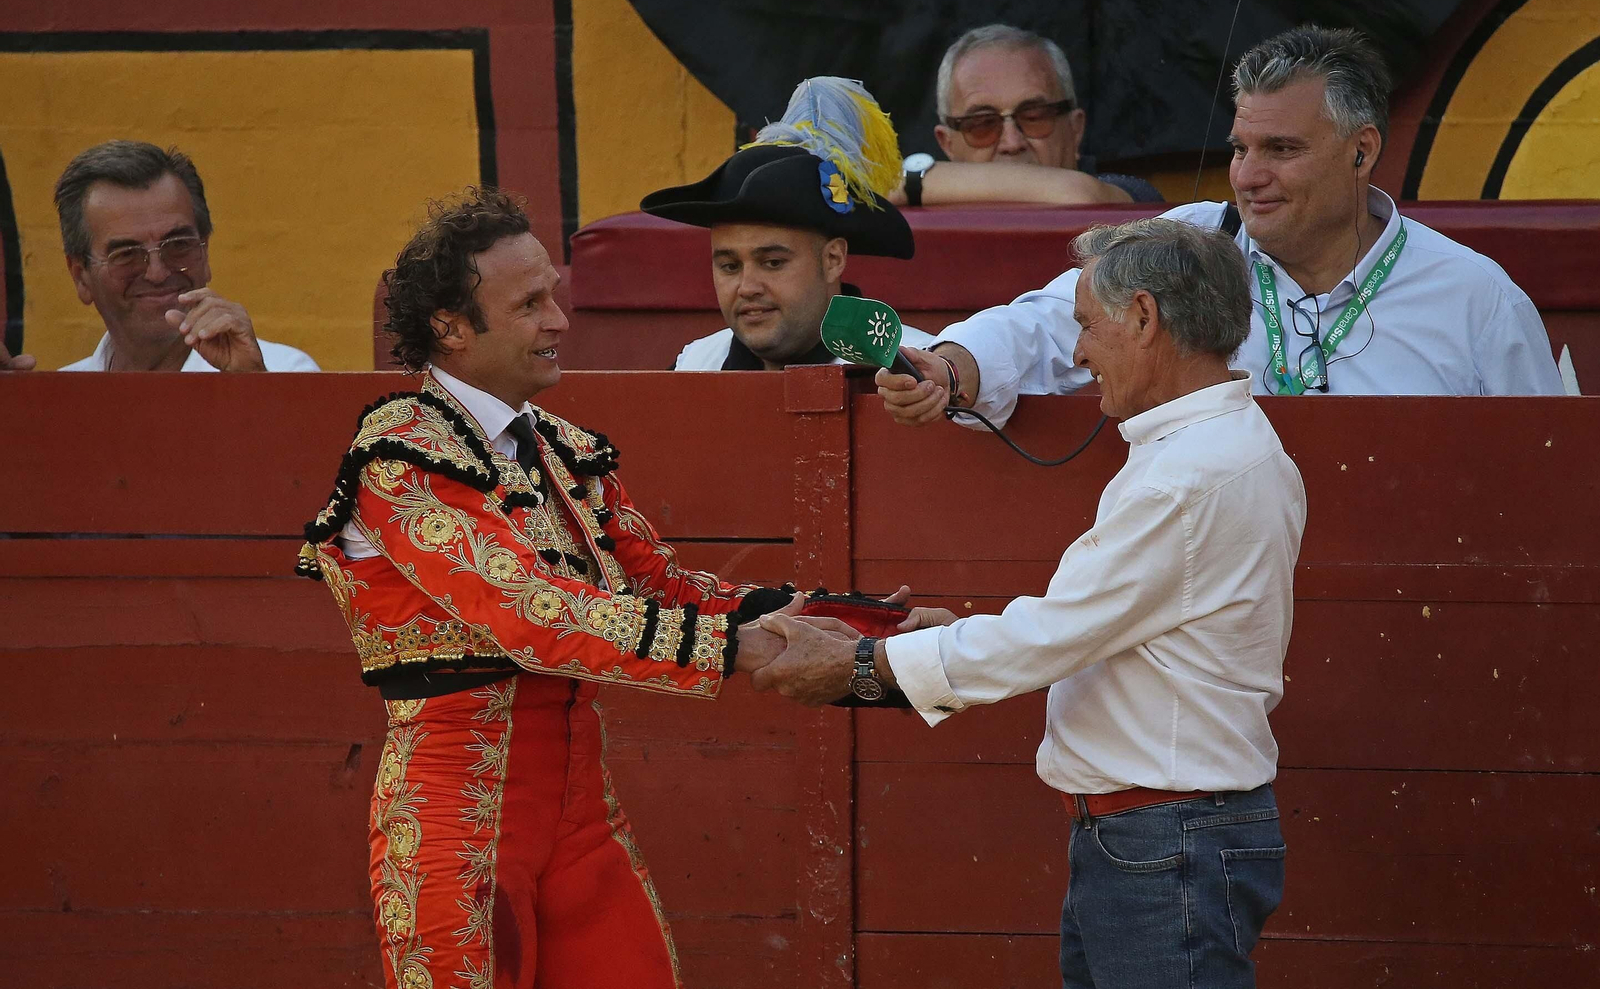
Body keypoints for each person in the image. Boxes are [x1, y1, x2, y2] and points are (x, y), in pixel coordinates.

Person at [754, 217, 1306, 988]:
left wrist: (867, 665)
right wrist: (937, 637)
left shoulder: (1189, 476)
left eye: (1087, 325)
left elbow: (1052, 635)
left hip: (1166, 836)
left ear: (1144, 317)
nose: (1078, 353)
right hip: (1161, 829)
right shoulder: (1215, 448)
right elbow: (1097, 628)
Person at [296, 188, 810, 989]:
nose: (559, 321)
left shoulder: (564, 449)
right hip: (456, 819)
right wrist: (735, 647)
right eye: (530, 304)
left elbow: (660, 583)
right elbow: (530, 611)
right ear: (452, 327)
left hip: (580, 813)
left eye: (554, 296)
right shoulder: (400, 457)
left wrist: (831, 620)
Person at [879, 24, 1565, 427]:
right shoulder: (1192, 244)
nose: (1248, 175)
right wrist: (954, 366)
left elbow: (1545, 481)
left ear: (1361, 151)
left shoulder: (1477, 299)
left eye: (1281, 150)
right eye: (1240, 148)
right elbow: (1043, 325)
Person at [640, 77, 937, 370]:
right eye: (729, 266)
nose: (748, 288)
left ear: (833, 259)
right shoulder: (693, 366)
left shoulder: (914, 371)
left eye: (773, 262)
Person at [0, 141, 317, 373]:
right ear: (81, 276)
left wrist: (252, 390)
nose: (157, 272)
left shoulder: (280, 372)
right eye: (127, 254)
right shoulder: (59, 402)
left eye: (178, 245)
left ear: (204, 253)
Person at [893, 24, 1163, 209]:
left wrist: (909, 182)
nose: (1012, 143)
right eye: (983, 124)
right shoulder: (921, 220)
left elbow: (1083, 195)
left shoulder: (1134, 198)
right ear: (947, 143)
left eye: (1034, 117)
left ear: (1075, 129)